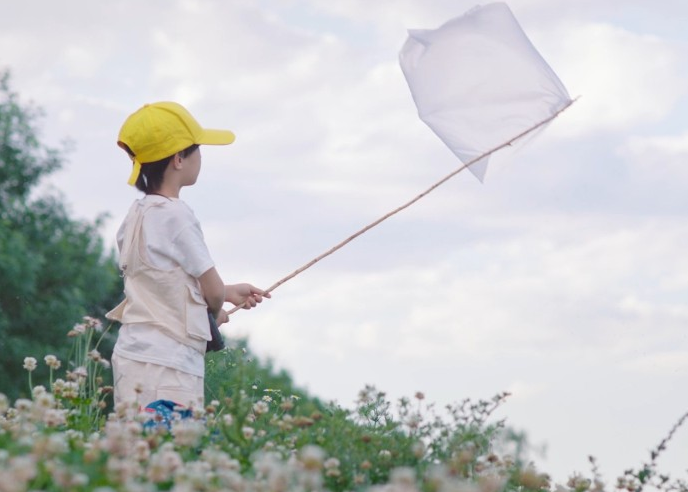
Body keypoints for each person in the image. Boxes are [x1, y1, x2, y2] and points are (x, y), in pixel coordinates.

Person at [106, 101, 269, 409]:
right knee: (173, 449)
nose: (201, 156)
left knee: (133, 450)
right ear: (179, 159)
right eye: (197, 148)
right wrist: (215, 309)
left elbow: (161, 281)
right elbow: (211, 290)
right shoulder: (177, 215)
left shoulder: (135, 215)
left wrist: (228, 292)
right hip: (171, 364)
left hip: (130, 357)